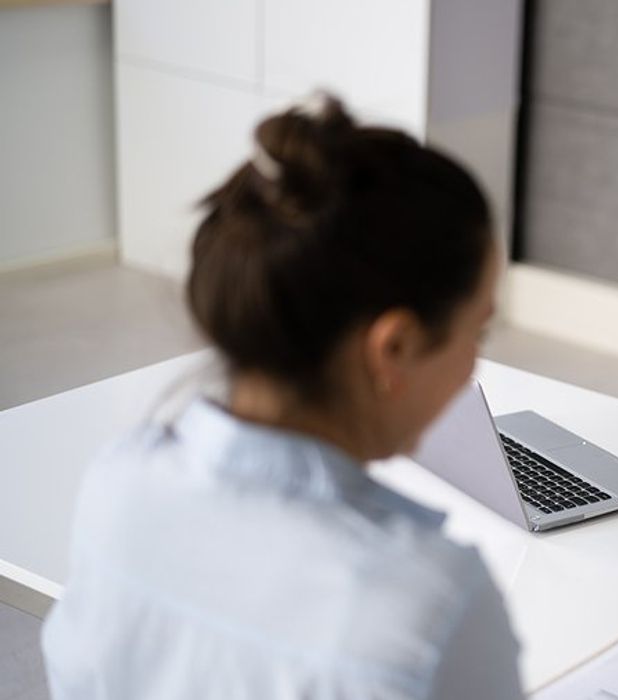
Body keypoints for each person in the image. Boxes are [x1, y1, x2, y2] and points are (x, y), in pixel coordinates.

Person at [41, 94, 524, 697]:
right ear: (393, 348)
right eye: (476, 331)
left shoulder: (118, 482)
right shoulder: (431, 606)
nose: (474, 363)